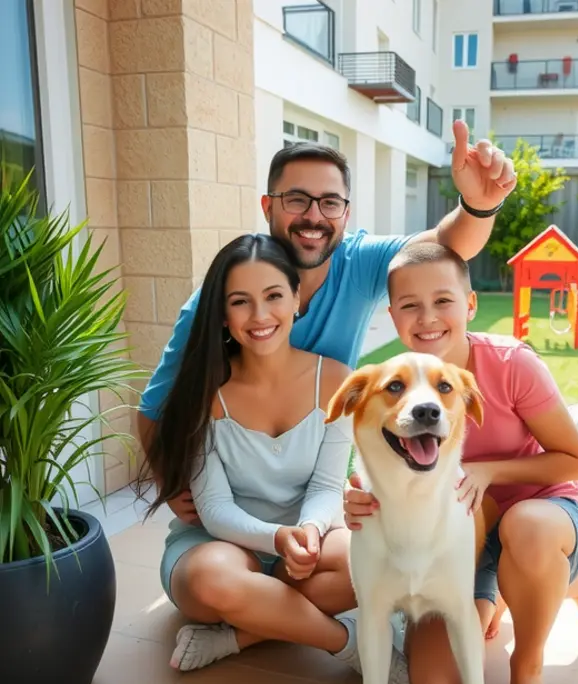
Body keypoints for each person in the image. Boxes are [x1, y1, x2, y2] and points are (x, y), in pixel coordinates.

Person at [136, 120, 517, 527]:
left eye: (330, 202)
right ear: (268, 207)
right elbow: (154, 407)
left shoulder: (360, 262)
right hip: (234, 495)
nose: (314, 217)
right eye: (297, 200)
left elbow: (445, 247)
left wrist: (478, 205)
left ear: (346, 213)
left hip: (319, 490)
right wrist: (170, 483)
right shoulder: (222, 300)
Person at [343, 242, 578, 684]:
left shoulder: (511, 365)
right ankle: (549, 587)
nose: (427, 318)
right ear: (393, 314)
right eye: (410, 305)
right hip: (463, 533)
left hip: (542, 512)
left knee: (527, 531)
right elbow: (369, 452)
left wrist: (486, 470)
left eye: (443, 301)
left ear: (470, 304)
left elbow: (576, 461)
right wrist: (354, 494)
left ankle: (528, 669)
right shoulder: (391, 381)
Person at [138, 233, 411, 684]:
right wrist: (276, 539)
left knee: (387, 560)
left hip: (309, 536)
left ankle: (238, 635)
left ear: (297, 298)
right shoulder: (204, 390)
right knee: (212, 581)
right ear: (223, 315)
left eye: (273, 296)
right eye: (241, 302)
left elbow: (327, 484)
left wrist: (305, 531)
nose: (260, 316)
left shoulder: (336, 380)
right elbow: (215, 508)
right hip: (220, 542)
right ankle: (351, 645)